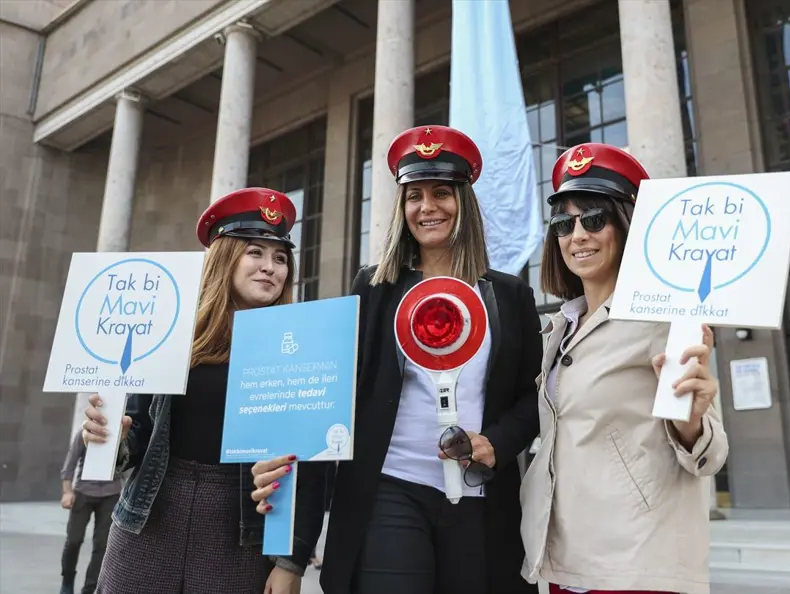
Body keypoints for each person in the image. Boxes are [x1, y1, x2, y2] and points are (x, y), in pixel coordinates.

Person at [251, 125, 543, 594]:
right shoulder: (374, 289)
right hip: (390, 488)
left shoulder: (509, 296)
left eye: (441, 193)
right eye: (414, 196)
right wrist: (292, 554)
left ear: (463, 202)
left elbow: (534, 398)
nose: (427, 207)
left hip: (480, 497)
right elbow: (331, 402)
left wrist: (496, 442)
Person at [80, 188, 326, 594]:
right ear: (225, 258)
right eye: (255, 253)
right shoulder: (169, 331)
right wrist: (112, 439)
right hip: (148, 522)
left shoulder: (300, 347)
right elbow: (138, 434)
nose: (270, 268)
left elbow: (313, 468)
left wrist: (291, 563)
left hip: (241, 533)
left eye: (281, 258)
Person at [519, 143, 730, 594]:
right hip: (566, 558)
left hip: (637, 560)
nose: (578, 235)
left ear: (625, 225)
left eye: (594, 219)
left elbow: (708, 454)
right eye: (564, 224)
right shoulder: (561, 327)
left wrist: (692, 420)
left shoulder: (666, 318)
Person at [59, 432, 121, 594]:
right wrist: (67, 492)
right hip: (83, 492)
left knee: (102, 545)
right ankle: (67, 581)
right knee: (74, 539)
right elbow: (70, 462)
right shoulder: (85, 432)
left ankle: (89, 588)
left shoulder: (121, 433)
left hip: (111, 494)